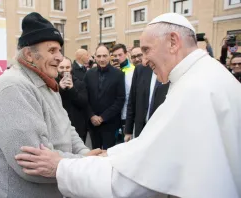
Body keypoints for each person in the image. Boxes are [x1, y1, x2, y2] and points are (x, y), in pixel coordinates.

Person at [15, 13, 241, 198]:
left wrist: (61, 167)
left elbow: (136, 180)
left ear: (173, 42)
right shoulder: (203, 76)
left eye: (146, 50)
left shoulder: (195, 88)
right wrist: (108, 155)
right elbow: (150, 147)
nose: (143, 60)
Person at [0, 12, 101, 198]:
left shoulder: (46, 82)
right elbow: (31, 165)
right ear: (29, 54)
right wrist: (84, 162)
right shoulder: (13, 88)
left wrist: (85, 153)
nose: (60, 57)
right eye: (52, 51)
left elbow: (67, 129)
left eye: (60, 50)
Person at [83, 44, 125, 149]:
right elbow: (84, 97)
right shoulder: (89, 74)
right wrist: (91, 115)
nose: (102, 59)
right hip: (92, 124)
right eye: (99, 56)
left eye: (105, 56)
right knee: (95, 154)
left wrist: (102, 117)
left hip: (110, 123)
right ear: (95, 57)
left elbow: (120, 100)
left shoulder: (118, 74)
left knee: (108, 155)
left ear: (109, 56)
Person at [124, 62, 169, 141]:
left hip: (161, 130)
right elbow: (132, 100)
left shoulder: (171, 68)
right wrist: (128, 131)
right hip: (141, 129)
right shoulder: (141, 69)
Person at [56, 57, 88, 142]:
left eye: (67, 67)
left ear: (71, 68)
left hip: (77, 127)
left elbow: (83, 103)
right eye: (62, 67)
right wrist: (60, 89)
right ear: (57, 68)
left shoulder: (80, 83)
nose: (65, 70)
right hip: (59, 127)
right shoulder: (52, 83)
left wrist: (72, 89)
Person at [110, 43, 135, 143]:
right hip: (114, 115)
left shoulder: (133, 70)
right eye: (115, 56)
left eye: (120, 55)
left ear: (126, 54)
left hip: (127, 114)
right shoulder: (111, 71)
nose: (117, 58)